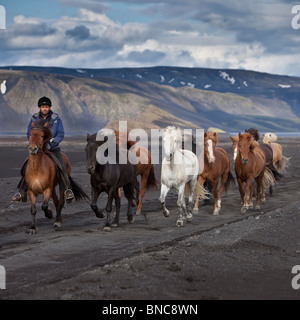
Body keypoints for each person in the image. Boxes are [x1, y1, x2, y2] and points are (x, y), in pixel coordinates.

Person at [11, 96, 75, 202]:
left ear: (49, 108)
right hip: (37, 149)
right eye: (42, 106)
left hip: (52, 148)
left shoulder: (56, 118)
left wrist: (51, 144)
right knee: (26, 167)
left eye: (46, 106)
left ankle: (67, 190)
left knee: (62, 166)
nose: (44, 108)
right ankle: (22, 191)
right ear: (39, 107)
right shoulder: (34, 118)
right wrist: (34, 144)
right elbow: (29, 133)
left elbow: (61, 133)